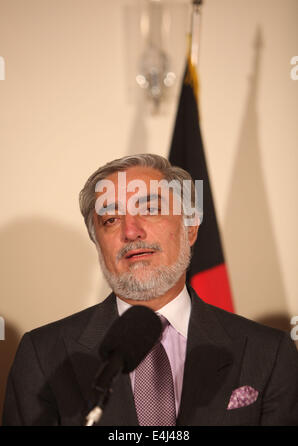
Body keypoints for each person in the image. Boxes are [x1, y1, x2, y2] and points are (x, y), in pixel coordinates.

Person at [2, 153, 298, 426]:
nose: (131, 231)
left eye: (151, 209)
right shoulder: (43, 355)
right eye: (111, 219)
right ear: (98, 243)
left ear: (190, 228)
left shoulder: (269, 353)